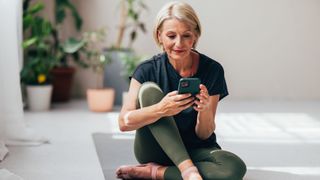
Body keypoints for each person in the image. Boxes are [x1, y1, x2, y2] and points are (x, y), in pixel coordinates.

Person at [116, 1, 246, 180]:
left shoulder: (212, 70)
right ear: (159, 36)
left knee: (233, 168)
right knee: (148, 91)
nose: (179, 43)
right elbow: (124, 122)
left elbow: (204, 133)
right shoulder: (146, 70)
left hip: (196, 149)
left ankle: (154, 172)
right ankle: (187, 170)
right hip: (156, 150)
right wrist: (161, 109)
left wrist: (204, 110)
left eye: (186, 35)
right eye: (171, 36)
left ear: (195, 36)